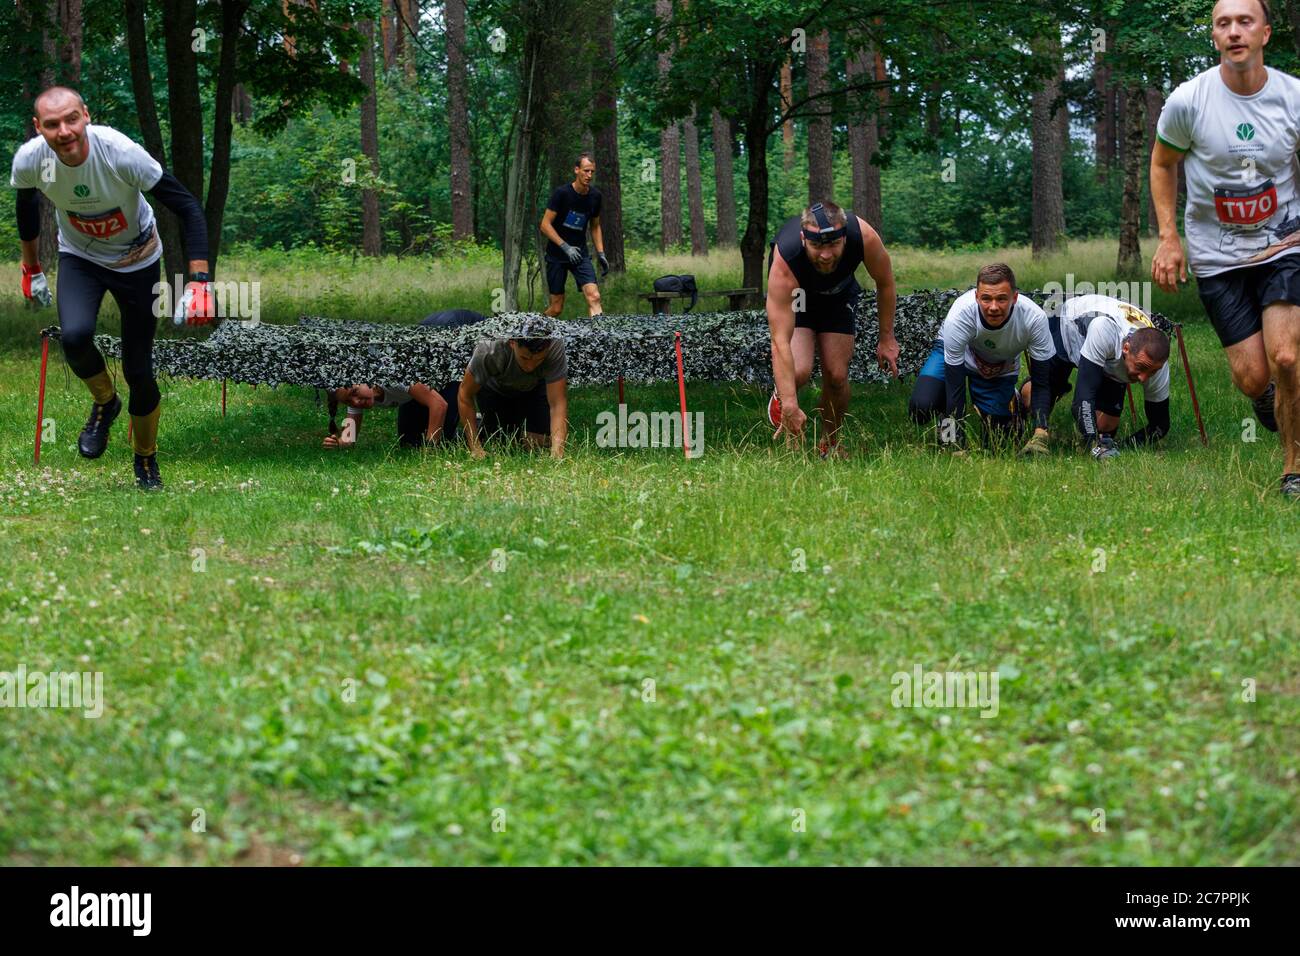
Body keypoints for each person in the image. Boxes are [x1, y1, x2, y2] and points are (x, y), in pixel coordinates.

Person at [11, 86, 215, 490]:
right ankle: (106, 403)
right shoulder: (31, 160)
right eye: (52, 125)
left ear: (85, 115)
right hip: (80, 258)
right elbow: (27, 212)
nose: (64, 131)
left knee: (139, 370)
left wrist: (200, 281)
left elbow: (188, 206)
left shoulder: (120, 152)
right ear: (39, 128)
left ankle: (145, 459)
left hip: (137, 261)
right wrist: (31, 268)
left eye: (72, 119)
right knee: (74, 336)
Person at [1151, 0, 1300, 497]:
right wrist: (1170, 238)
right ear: (1214, 37)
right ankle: (1270, 400)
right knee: (1254, 377)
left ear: (1265, 34)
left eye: (1245, 22)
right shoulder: (1189, 102)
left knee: (1287, 356)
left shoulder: (1293, 97)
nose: (1234, 32)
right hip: (1218, 257)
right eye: (1223, 24)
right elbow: (1162, 163)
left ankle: (1293, 469)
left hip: (1285, 243)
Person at [765, 200, 898, 458]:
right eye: (817, 246)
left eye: (833, 245)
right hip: (799, 298)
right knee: (799, 370)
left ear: (844, 238)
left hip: (838, 296)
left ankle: (830, 443)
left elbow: (886, 282)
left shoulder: (864, 237)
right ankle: (785, 403)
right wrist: (790, 403)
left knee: (836, 376)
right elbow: (779, 340)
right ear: (804, 238)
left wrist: (887, 338)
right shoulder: (786, 257)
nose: (826, 255)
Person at [908, 263, 1054, 454]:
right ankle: (946, 432)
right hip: (956, 352)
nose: (993, 307)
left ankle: (1013, 401)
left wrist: (1040, 432)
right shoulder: (960, 315)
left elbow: (1042, 381)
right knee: (921, 407)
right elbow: (955, 384)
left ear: (1015, 298)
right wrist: (956, 444)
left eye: (1002, 299)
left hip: (999, 361)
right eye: (986, 299)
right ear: (976, 296)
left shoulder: (1034, 318)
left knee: (997, 441)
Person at [1019, 294, 1172, 459]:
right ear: (1126, 349)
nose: (1143, 378)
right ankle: (1044, 390)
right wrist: (1094, 445)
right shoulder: (1105, 330)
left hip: (1109, 357)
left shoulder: (1155, 364)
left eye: (1152, 372)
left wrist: (1124, 446)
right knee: (1033, 399)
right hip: (1067, 326)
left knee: (1104, 426)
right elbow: (1081, 402)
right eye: (1140, 368)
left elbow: (1161, 425)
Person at [458, 319, 568, 460]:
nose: (530, 367)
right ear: (512, 343)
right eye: (525, 358)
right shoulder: (489, 348)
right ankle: (481, 422)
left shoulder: (554, 345)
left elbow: (558, 403)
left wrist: (557, 454)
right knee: (501, 444)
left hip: (534, 387)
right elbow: (464, 395)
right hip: (495, 389)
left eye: (538, 360)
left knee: (536, 443)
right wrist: (475, 447)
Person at [539, 155, 607, 318]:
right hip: (557, 255)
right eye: (585, 171)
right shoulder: (562, 194)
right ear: (576, 170)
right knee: (556, 308)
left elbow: (595, 226)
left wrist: (601, 253)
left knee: (594, 297)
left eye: (592, 172)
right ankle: (533, 332)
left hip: (580, 255)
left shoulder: (595, 196)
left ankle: (599, 341)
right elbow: (544, 225)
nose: (589, 175)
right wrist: (565, 247)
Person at [324, 382, 461, 449]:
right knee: (409, 445)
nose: (356, 402)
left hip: (444, 382)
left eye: (354, 392)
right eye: (348, 401)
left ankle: (475, 422)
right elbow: (349, 439)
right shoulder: (357, 398)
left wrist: (430, 450)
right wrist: (339, 443)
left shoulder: (394, 378)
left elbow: (439, 405)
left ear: (363, 377)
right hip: (414, 396)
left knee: (444, 444)